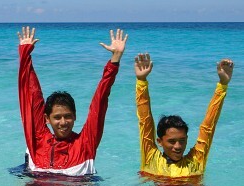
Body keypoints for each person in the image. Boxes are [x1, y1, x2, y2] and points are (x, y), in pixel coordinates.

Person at [17, 26, 128, 176]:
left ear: (75, 116)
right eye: (57, 117)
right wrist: (25, 54)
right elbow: (30, 95)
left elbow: (100, 102)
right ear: (46, 119)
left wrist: (115, 60)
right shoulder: (37, 141)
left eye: (68, 116)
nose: (63, 122)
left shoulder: (85, 144)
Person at [135, 53, 234, 177]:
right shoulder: (151, 157)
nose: (178, 146)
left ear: (187, 139)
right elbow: (145, 121)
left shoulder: (196, 160)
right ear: (160, 141)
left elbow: (208, 127)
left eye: (182, 141)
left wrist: (223, 85)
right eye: (172, 141)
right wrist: (141, 81)